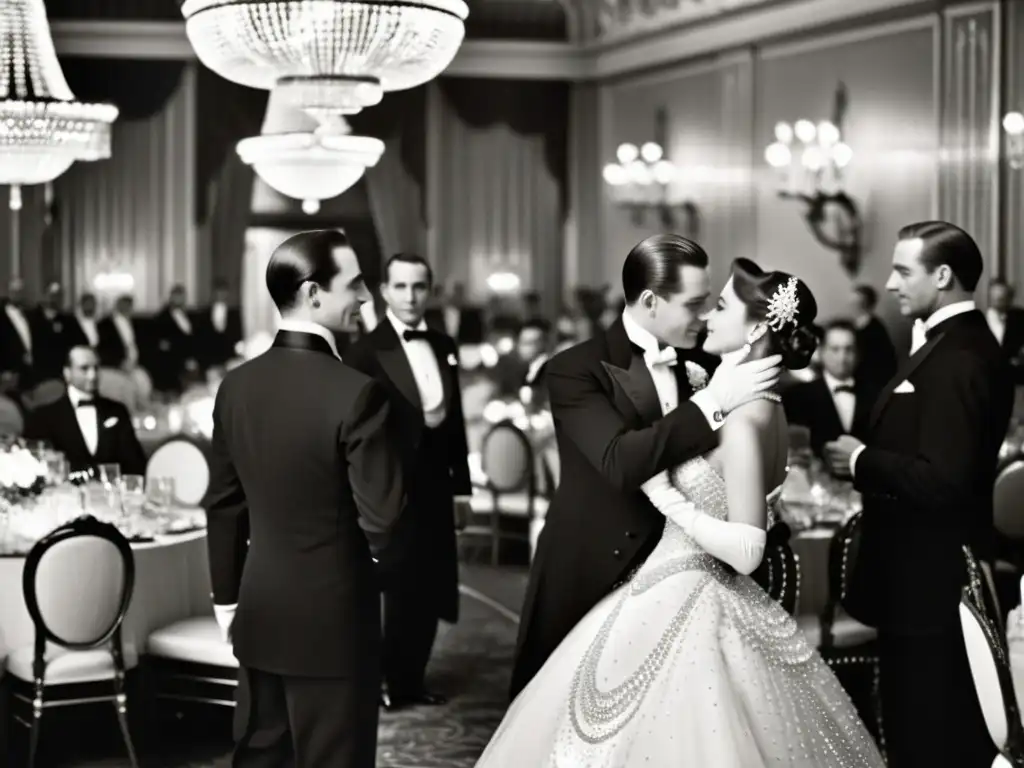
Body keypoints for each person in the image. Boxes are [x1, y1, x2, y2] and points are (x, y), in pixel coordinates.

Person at [478, 258, 885, 766]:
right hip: (680, 584)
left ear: (757, 327)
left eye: (718, 305)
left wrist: (670, 500)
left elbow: (748, 549)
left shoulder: (744, 419)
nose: (707, 318)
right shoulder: (765, 406)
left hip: (688, 589)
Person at [508, 235, 783, 699]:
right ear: (651, 301)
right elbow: (618, 463)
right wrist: (714, 403)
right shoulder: (575, 369)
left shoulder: (703, 362)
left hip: (681, 579)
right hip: (590, 567)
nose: (705, 315)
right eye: (695, 303)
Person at [204, 230, 405, 768]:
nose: (366, 297)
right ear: (314, 294)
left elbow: (223, 505)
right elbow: (384, 519)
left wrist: (227, 601)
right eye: (356, 283)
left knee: (261, 755)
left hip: (257, 610)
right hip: (335, 620)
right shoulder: (358, 392)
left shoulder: (235, 387)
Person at [825, 221, 1012, 768]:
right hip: (917, 577)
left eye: (904, 270)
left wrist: (862, 460)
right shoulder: (951, 345)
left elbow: (944, 480)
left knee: (930, 730)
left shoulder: (960, 356)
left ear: (944, 274)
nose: (889, 283)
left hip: (930, 579)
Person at [345, 253, 472, 710]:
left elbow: (455, 423)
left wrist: (463, 487)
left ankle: (410, 680)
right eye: (400, 287)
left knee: (431, 587)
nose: (411, 296)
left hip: (437, 487)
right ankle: (380, 678)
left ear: (430, 289)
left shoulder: (443, 343)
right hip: (388, 491)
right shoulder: (362, 351)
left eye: (419, 287)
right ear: (384, 291)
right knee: (394, 589)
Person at [24, 345, 146, 476]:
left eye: (96, 368)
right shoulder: (43, 417)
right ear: (67, 373)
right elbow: (33, 468)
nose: (92, 375)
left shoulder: (117, 411)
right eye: (84, 368)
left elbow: (136, 465)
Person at [783, 319, 879, 460]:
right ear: (821, 352)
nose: (842, 358)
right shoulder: (796, 397)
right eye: (835, 349)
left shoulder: (877, 395)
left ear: (858, 354)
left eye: (849, 349)